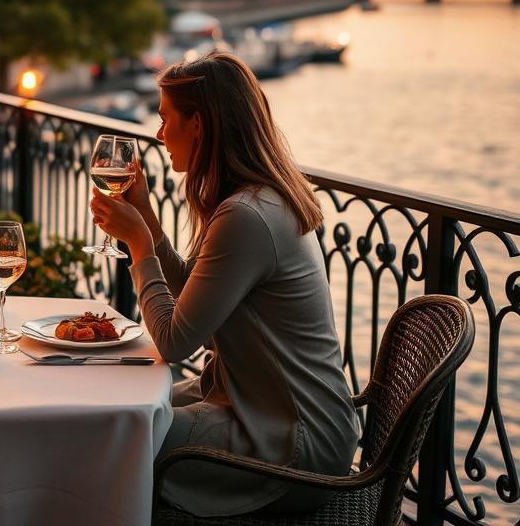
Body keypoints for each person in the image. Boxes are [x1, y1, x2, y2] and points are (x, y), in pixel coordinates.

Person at [90, 52, 359, 517]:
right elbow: (198, 301)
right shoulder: (257, 200)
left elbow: (176, 341)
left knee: (111, 440)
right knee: (113, 411)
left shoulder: (245, 217)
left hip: (293, 444)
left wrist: (138, 245)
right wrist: (151, 227)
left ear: (200, 124)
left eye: (165, 119)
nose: (157, 135)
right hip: (268, 412)